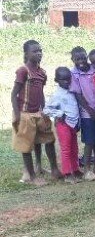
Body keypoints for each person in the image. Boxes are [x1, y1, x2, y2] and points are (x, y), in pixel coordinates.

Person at [11, 39, 60, 186]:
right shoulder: (23, 71)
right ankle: (31, 176)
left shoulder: (42, 72)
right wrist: (18, 115)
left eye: (40, 50)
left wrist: (45, 111)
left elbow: (41, 93)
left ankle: (53, 169)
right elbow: (14, 94)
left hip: (38, 112)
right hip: (24, 113)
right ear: (26, 53)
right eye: (35, 51)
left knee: (48, 139)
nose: (39, 53)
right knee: (26, 145)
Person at [70, 46, 95, 181]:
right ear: (72, 59)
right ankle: (86, 170)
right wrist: (90, 110)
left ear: (87, 57)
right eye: (77, 58)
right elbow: (79, 96)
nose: (81, 61)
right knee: (89, 141)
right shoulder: (74, 74)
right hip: (87, 113)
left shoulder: (94, 69)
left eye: (83, 57)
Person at [43, 67, 81, 184]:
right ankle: (67, 173)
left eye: (68, 79)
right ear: (56, 80)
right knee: (66, 149)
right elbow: (46, 110)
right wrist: (60, 114)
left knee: (74, 148)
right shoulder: (57, 95)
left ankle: (76, 169)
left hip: (73, 124)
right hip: (63, 124)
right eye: (63, 80)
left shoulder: (72, 91)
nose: (67, 82)